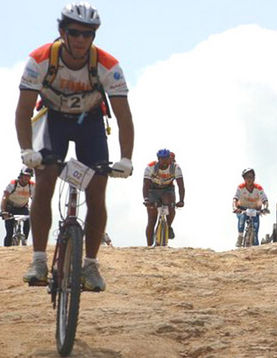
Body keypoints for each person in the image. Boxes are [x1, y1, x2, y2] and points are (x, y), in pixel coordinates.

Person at [16, 2, 134, 291]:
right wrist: (26, 150)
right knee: (44, 179)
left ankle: (91, 265)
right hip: (52, 121)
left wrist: (126, 158)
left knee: (97, 189)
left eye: (88, 34)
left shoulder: (108, 66)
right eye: (75, 32)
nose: (81, 40)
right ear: (62, 32)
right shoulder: (40, 59)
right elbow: (23, 111)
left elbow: (124, 116)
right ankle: (39, 259)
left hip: (89, 123)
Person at [143, 149, 185, 246]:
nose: (165, 162)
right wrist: (146, 199)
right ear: (158, 159)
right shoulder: (151, 167)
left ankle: (168, 226)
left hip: (167, 190)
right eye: (162, 159)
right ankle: (149, 246)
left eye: (167, 159)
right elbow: (146, 185)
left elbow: (181, 185)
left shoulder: (175, 168)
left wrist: (181, 200)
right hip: (153, 190)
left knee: (171, 206)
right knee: (151, 219)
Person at [232, 168, 269, 247]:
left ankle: (255, 246)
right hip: (242, 208)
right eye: (247, 177)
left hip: (255, 210)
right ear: (244, 179)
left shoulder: (258, 188)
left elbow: (265, 199)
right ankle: (240, 237)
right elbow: (235, 198)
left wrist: (265, 208)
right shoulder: (240, 187)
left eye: (251, 177)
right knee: (242, 217)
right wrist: (234, 208)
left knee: (255, 230)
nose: (249, 179)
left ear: (254, 178)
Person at [1, 168, 35, 246]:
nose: (27, 178)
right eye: (25, 176)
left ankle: (24, 240)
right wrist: (3, 211)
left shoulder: (32, 185)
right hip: (10, 208)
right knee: (9, 232)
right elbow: (5, 197)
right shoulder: (13, 183)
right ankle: (6, 250)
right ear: (21, 176)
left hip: (23, 208)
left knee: (28, 222)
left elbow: (35, 199)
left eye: (29, 176)